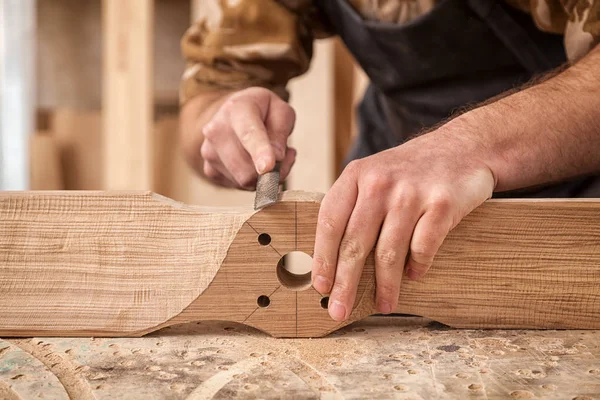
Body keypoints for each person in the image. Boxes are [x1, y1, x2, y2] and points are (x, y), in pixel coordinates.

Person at [179, 0, 600, 322]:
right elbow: (209, 91)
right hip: (394, 178)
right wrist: (223, 117)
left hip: (578, 187)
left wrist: (467, 146)